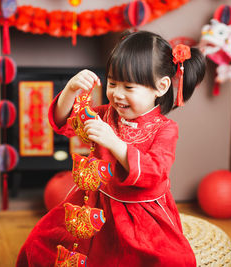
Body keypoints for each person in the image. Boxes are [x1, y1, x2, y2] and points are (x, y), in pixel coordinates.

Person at [16, 30, 206, 266]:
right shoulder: (105, 114)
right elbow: (64, 121)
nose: (117, 94)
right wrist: (70, 90)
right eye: (112, 83)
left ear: (161, 86)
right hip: (94, 203)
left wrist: (114, 142)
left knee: (173, 260)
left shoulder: (165, 129)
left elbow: (155, 172)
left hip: (140, 215)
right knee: (41, 240)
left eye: (128, 87)